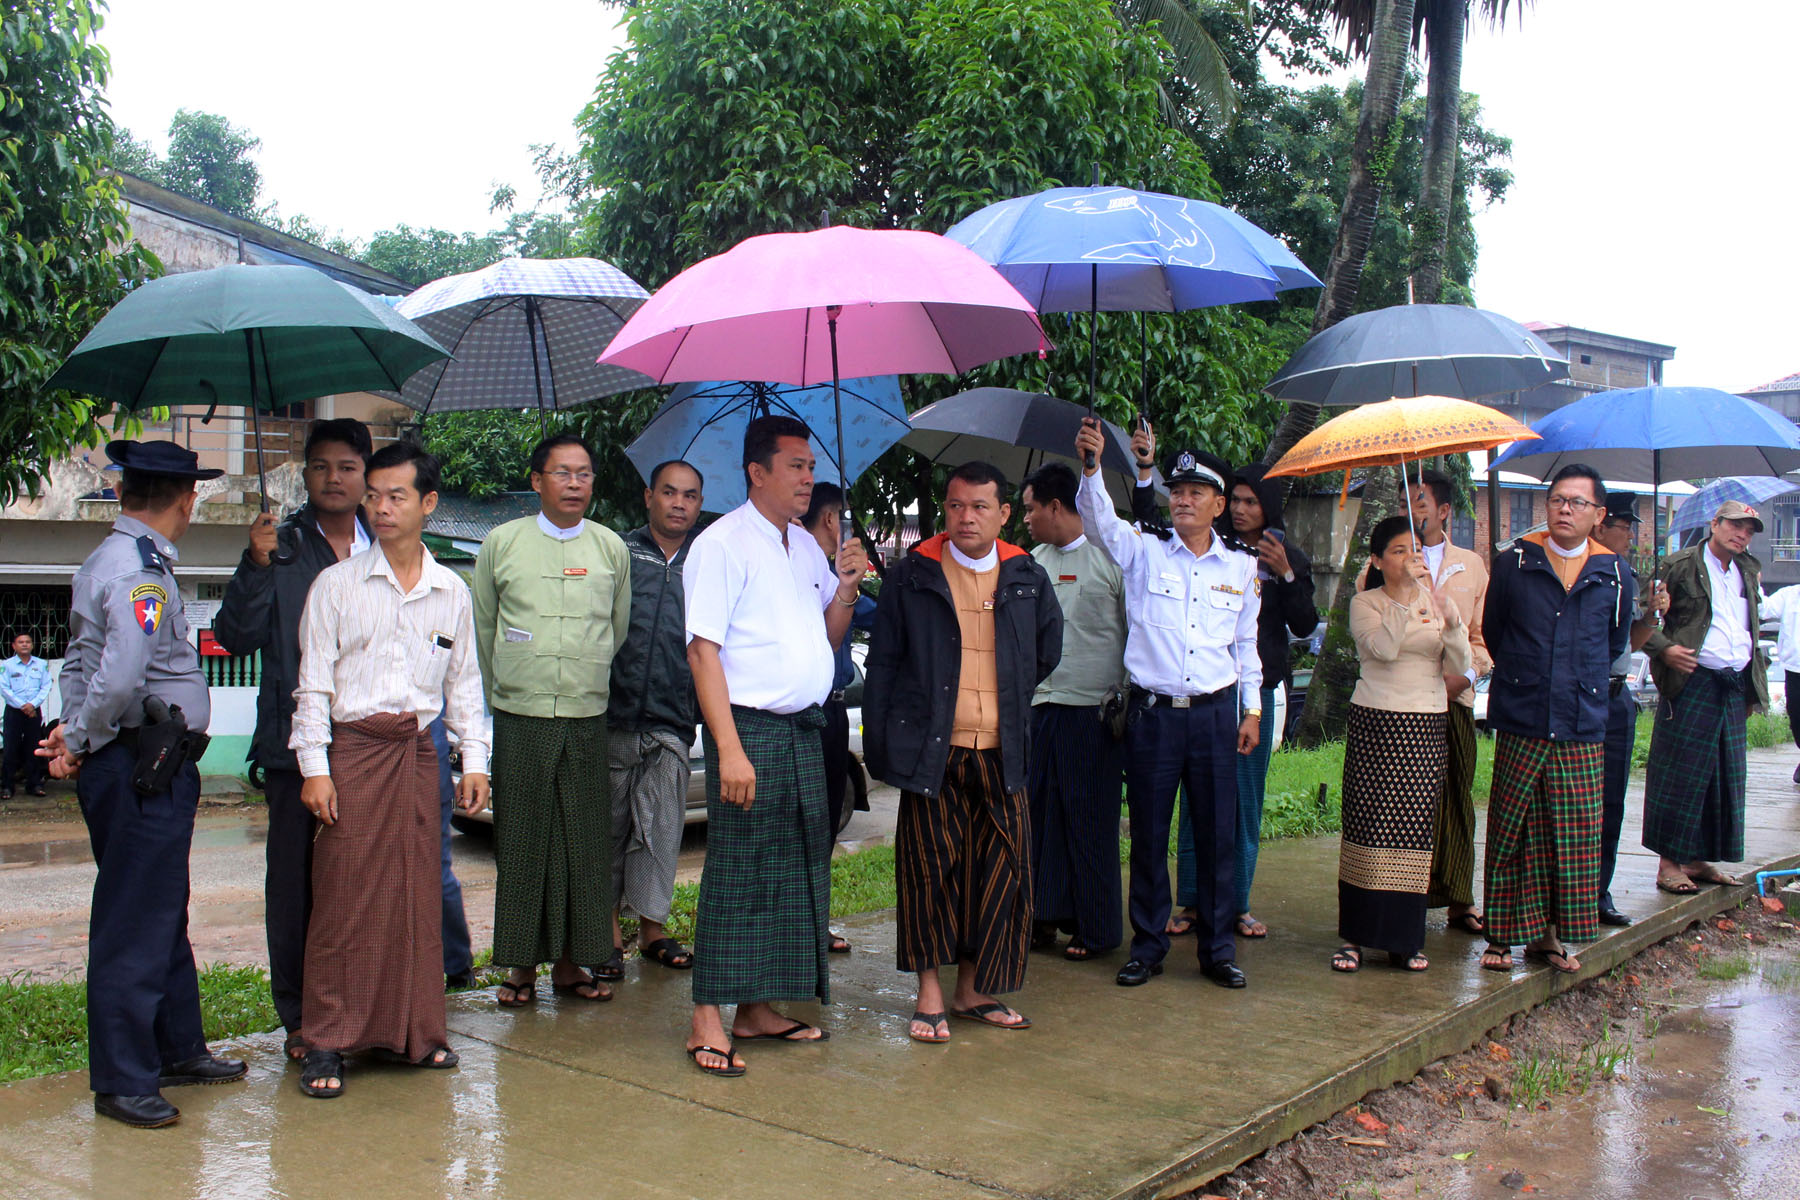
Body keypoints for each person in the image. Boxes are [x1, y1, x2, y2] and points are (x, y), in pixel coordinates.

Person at [38, 440, 246, 1128]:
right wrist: (80, 737)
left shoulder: (113, 559)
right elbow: (121, 675)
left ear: (125, 494)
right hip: (140, 766)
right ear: (186, 500)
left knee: (160, 909)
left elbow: (80, 662)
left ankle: (177, 1048)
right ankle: (125, 1080)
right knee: (135, 921)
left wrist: (72, 731)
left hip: (141, 762)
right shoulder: (138, 571)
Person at [289, 443, 490, 1098]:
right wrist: (315, 767)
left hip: (418, 753)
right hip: (352, 752)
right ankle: (326, 1039)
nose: (380, 507)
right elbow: (313, 686)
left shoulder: (451, 590)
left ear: (428, 503)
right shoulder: (337, 586)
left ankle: (415, 1034)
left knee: (416, 895)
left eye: (396, 495)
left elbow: (464, 684)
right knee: (343, 897)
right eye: (373, 495)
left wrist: (475, 759)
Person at [681, 415, 867, 1076]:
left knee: (792, 870)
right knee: (739, 869)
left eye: (811, 466)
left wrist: (846, 588)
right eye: (795, 465)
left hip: (803, 729)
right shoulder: (722, 544)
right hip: (749, 729)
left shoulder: (805, 548)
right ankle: (707, 1017)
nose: (808, 478)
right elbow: (702, 651)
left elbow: (828, 635)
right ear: (757, 472)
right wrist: (729, 749)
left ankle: (756, 1009)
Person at [866, 462, 1062, 1042]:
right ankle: (929, 992)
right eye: (955, 506)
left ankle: (972, 989)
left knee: (1000, 873)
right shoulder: (913, 575)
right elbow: (884, 663)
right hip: (936, 752)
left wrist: (1007, 695)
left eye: (979, 507)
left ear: (1004, 514)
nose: (966, 518)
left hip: (1003, 751)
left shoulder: (1026, 576)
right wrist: (884, 744)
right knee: (929, 870)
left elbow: (1046, 650)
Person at [1074, 420, 1261, 990]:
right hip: (1153, 716)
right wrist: (1091, 469)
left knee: (1216, 836)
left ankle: (1218, 950)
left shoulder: (1241, 563)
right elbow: (1099, 524)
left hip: (1214, 715)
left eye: (1195, 492)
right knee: (1150, 836)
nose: (1182, 500)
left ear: (1218, 505)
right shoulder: (1146, 549)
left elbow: (1246, 645)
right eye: (1176, 491)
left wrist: (1252, 710)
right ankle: (1148, 947)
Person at [214, 418, 378, 1056]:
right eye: (320, 466)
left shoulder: (384, 545)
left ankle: (366, 1008)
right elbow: (235, 637)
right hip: (294, 750)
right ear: (305, 474)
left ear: (365, 476)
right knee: (295, 885)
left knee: (366, 882)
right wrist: (255, 564)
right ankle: (302, 1017)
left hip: (370, 745)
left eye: (347, 467)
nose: (333, 478)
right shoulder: (278, 546)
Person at [1135, 433, 1318, 942]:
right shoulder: (1206, 548)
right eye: (1234, 500)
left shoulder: (1284, 556)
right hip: (1196, 696)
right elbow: (1142, 523)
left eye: (1250, 502)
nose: (1240, 510)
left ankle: (1237, 904)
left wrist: (1285, 574)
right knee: (1197, 807)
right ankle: (1193, 901)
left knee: (1240, 804)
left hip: (1255, 693)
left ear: (1269, 507)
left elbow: (1304, 625)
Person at [474, 433, 631, 1008]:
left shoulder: (610, 547)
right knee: (523, 842)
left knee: (582, 844)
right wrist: (511, 685)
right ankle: (520, 967)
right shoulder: (501, 543)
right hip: (522, 714)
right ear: (537, 480)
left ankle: (571, 964)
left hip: (587, 714)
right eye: (562, 472)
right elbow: (484, 629)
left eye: (584, 473)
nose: (574, 483)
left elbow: (616, 629)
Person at [1480, 463, 1630, 975]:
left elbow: (1613, 642)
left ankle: (1548, 938)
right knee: (1512, 828)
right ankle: (1501, 937)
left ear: (1598, 514)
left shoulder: (1614, 572)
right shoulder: (1515, 562)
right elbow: (1494, 631)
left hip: (1581, 719)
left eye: (1578, 502)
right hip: (1523, 712)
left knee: (1569, 835)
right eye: (1558, 500)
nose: (1565, 510)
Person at [1331, 516, 1471, 974]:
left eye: (1415, 550)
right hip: (1377, 721)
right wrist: (1408, 601)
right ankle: (1355, 936)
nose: (1410, 558)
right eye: (1398, 551)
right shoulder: (1365, 603)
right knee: (1369, 827)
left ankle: (1405, 940)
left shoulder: (1435, 601)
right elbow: (1384, 649)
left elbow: (1460, 661)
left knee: (1412, 831)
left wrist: (1452, 621)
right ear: (1376, 560)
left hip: (1425, 722)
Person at [1021, 460, 1125, 961]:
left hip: (1093, 712)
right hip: (1041, 708)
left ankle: (1095, 928)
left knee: (1089, 820)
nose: (1026, 518)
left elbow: (1136, 634)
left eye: (1030, 509)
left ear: (1056, 506)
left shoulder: (1111, 560)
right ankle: (1041, 919)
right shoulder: (1030, 564)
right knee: (1038, 820)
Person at [608, 459, 705, 977]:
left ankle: (652, 929)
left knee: (662, 829)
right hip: (614, 713)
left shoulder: (706, 561)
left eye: (689, 496)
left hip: (673, 716)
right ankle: (606, 930)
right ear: (649, 497)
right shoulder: (620, 552)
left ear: (699, 504)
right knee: (609, 829)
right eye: (669, 492)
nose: (678, 504)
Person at [1641, 500, 1767, 895]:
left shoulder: (1748, 570)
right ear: (1714, 523)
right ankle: (1668, 864)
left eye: (1749, 530)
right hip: (1690, 681)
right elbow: (1641, 617)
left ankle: (1697, 859)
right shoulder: (1679, 565)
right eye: (1735, 525)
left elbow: (1749, 628)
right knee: (1680, 772)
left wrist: (1751, 687)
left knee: (1722, 775)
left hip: (1732, 684)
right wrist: (1663, 648)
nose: (1742, 534)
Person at [1404, 471, 1493, 938]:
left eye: (1420, 503)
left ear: (1442, 511)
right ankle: (1405, 896)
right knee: (1408, 802)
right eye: (1405, 504)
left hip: (1455, 699)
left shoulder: (1471, 565)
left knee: (1456, 798)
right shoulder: (1391, 559)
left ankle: (1461, 898)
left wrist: (1467, 676)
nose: (1412, 512)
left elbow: (1482, 637)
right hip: (1405, 701)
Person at [800, 481, 878, 955]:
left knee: (826, 820)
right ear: (832, 519)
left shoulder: (837, 575)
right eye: (847, 520)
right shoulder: (802, 566)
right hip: (803, 710)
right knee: (804, 823)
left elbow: (875, 614)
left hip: (833, 708)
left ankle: (814, 921)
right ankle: (797, 925)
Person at [1590, 494, 1668, 925]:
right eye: (1624, 526)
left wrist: (1652, 616)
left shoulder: (1629, 577)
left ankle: (1600, 891)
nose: (1631, 535)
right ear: (1600, 524)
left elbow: (1629, 645)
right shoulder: (1581, 571)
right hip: (1583, 693)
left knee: (1612, 800)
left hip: (1617, 695)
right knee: (1574, 801)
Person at [2, 632, 51, 799]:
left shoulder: (41, 664)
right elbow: (4, 688)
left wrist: (33, 705)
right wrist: (23, 705)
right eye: (20, 642)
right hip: (14, 711)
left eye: (28, 642)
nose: (24, 644)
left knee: (34, 748)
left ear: (32, 645)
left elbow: (46, 686)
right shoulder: (7, 665)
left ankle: (34, 784)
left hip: (33, 711)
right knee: (10, 748)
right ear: (14, 646)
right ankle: (7, 786)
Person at [1762, 577, 1800, 783]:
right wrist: (1754, 583)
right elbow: (1763, 609)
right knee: (1796, 715)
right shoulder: (1789, 594)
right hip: (1795, 669)